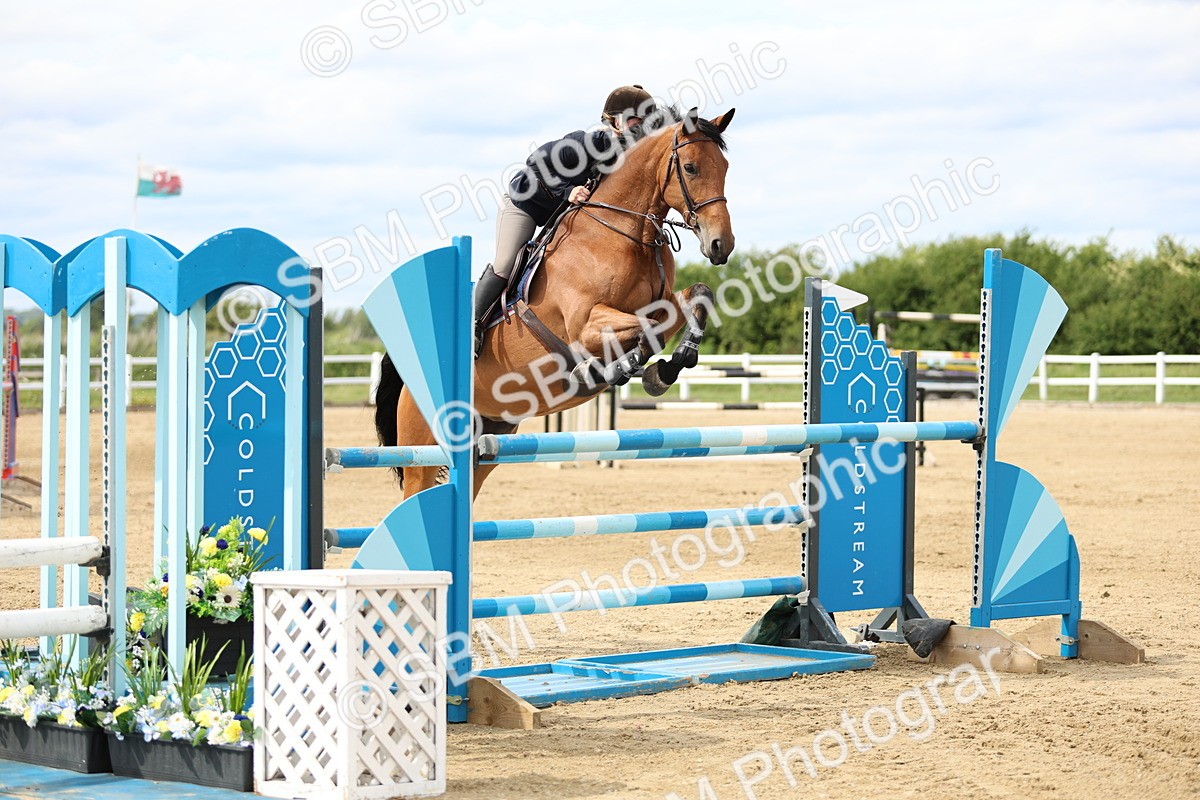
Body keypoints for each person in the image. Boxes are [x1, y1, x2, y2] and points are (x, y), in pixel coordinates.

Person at [474, 85, 657, 354]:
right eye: (634, 121)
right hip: (527, 202)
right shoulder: (585, 145)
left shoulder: (629, 158)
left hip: (560, 214)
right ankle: (473, 326)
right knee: (506, 263)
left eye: (644, 124)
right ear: (616, 121)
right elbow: (535, 165)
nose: (638, 129)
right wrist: (566, 191)